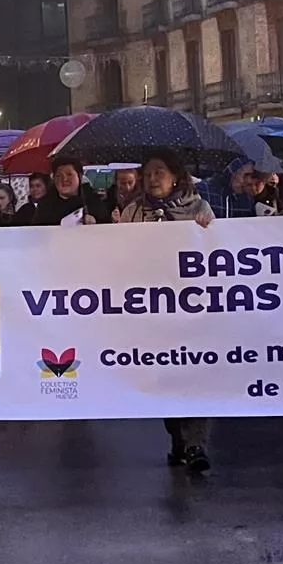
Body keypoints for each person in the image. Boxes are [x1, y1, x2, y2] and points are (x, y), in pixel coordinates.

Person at [116, 148, 215, 473]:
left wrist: (208, 230)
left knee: (194, 374)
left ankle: (196, 443)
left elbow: (216, 250)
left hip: (192, 307)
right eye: (147, 174)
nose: (152, 178)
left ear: (175, 177)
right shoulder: (134, 211)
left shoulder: (198, 208)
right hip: (151, 309)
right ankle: (178, 439)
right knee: (166, 376)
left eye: (159, 172)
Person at [31, 158, 114, 226]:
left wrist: (95, 223)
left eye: (69, 174)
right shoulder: (45, 206)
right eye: (59, 175)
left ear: (79, 176)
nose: (64, 179)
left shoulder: (92, 202)